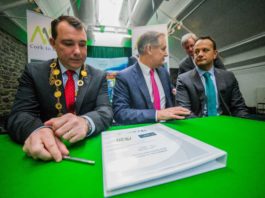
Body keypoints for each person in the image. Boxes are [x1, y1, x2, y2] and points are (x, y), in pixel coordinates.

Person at [7, 16, 113, 162]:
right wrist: (38, 130)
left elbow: (105, 110)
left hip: (88, 150)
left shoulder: (98, 76)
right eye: (68, 43)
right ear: (53, 43)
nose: (77, 51)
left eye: (82, 44)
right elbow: (20, 114)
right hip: (46, 153)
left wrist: (86, 122)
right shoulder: (34, 72)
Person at [112, 31, 190, 124]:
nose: (166, 54)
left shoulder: (163, 72)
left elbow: (170, 98)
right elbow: (120, 113)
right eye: (163, 49)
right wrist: (157, 115)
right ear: (149, 49)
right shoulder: (125, 77)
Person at [176, 36, 248, 118]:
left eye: (205, 50)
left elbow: (239, 108)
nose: (200, 54)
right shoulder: (183, 80)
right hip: (198, 125)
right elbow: (185, 112)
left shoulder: (229, 77)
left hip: (225, 124)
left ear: (214, 54)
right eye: (196, 51)